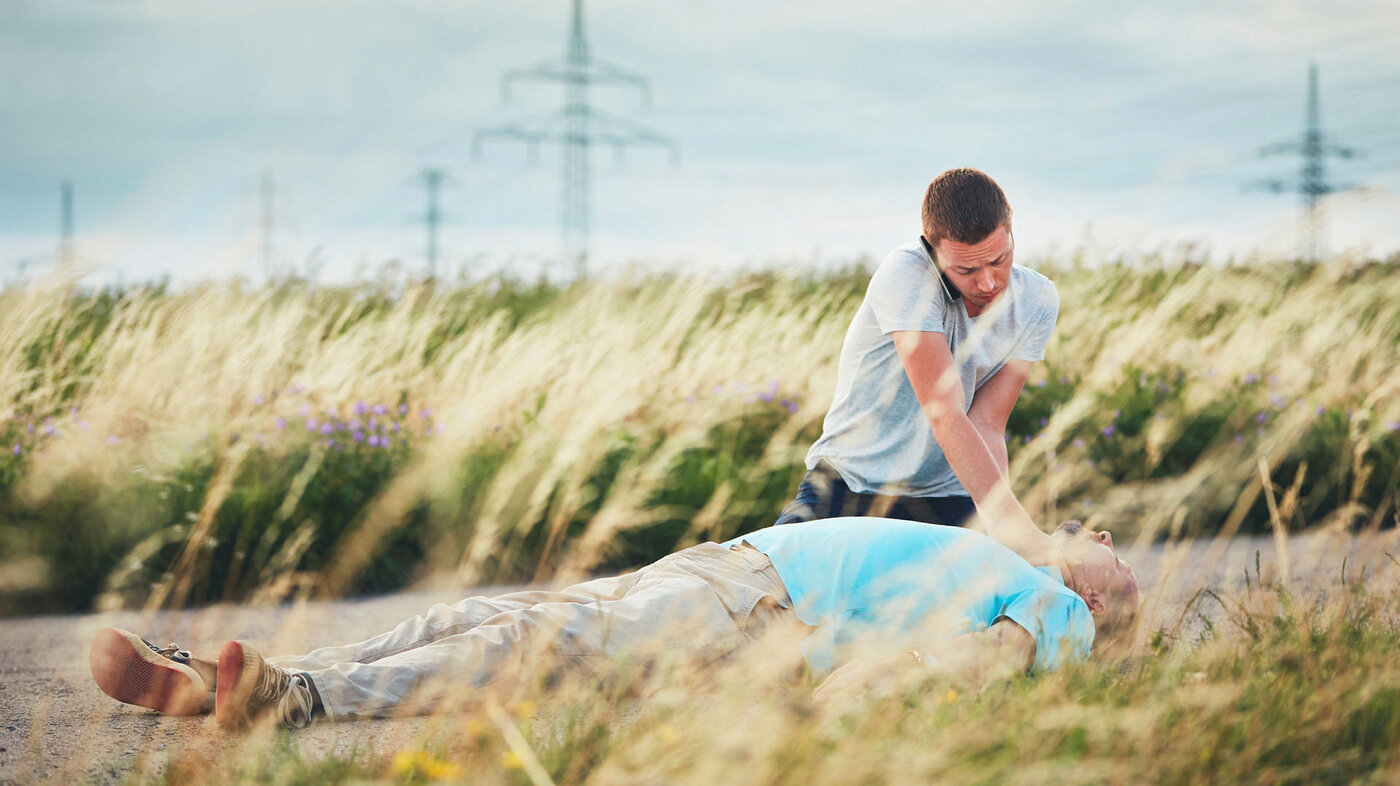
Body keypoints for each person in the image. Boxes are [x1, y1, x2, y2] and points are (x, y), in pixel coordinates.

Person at [90, 517, 1138, 729]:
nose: (1090, 529)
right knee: (476, 613)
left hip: (753, 606)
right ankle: (232, 678)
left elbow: (988, 662)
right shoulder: (1005, 555)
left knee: (514, 646)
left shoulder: (1053, 606)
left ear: (1097, 600)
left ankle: (290, 701)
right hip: (720, 570)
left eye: (1108, 549)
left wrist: (843, 695)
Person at [777, 168, 1059, 555]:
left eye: (999, 259)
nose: (989, 283)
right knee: (771, 594)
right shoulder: (906, 274)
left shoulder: (1039, 301)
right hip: (850, 483)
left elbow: (987, 424)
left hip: (944, 496)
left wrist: (1008, 535)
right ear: (931, 248)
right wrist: (1023, 536)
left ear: (1011, 233)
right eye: (966, 270)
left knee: (993, 602)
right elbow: (945, 413)